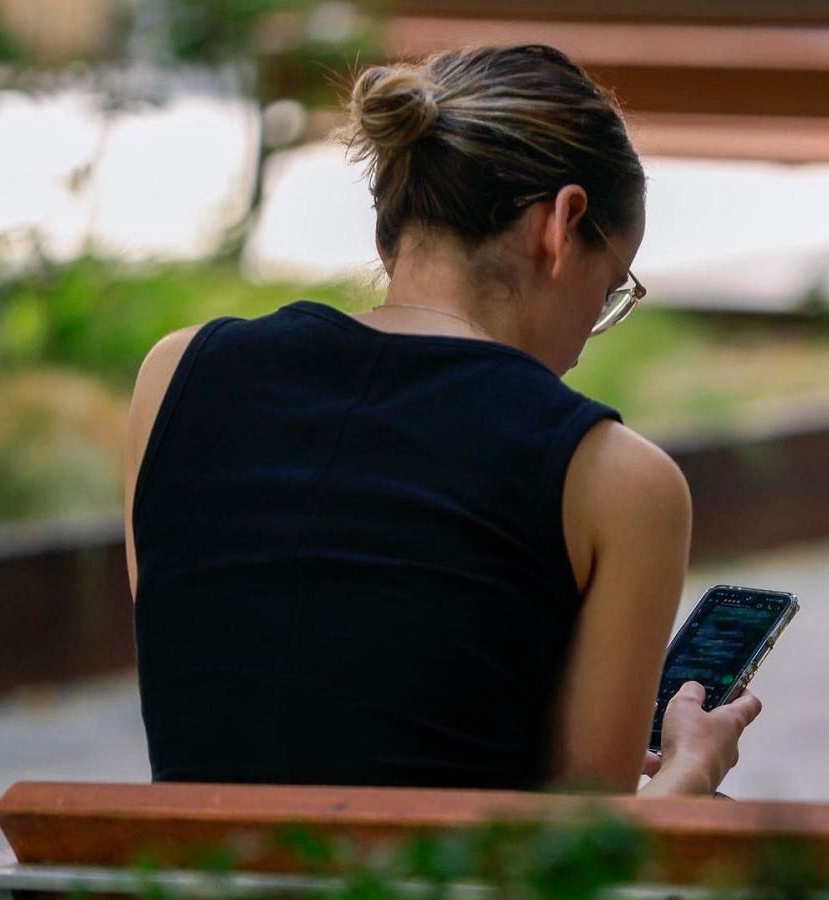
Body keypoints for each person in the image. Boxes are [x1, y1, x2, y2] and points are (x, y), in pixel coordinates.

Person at [123, 44, 760, 796]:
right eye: (613, 287)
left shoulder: (176, 375)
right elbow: (587, 857)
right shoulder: (617, 480)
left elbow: (257, 701)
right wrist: (690, 771)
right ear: (563, 223)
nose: (592, 336)